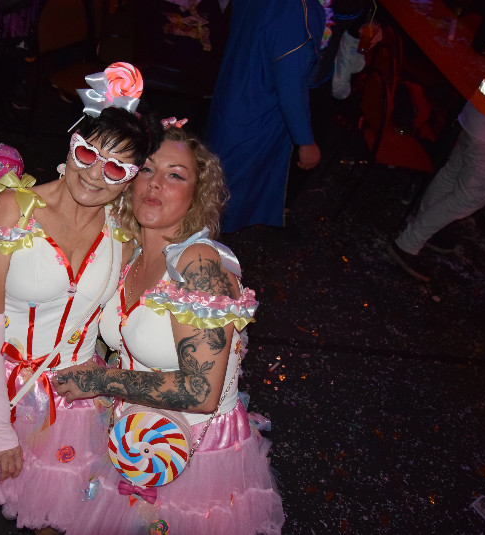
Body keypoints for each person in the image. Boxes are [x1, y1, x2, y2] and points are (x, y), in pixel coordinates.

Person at [0, 63, 158, 535]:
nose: (94, 174)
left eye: (115, 167)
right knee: (26, 498)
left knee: (60, 512)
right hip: (2, 381)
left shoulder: (123, 234)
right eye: (87, 153)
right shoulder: (13, 210)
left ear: (130, 179)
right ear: (70, 144)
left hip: (74, 394)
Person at [54, 124, 285, 535]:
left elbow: (201, 392)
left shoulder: (199, 265)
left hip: (191, 452)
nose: (155, 183)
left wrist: (98, 380)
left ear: (198, 195)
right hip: (134, 435)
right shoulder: (132, 254)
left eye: (175, 175)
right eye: (146, 169)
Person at [388, 3, 485, 282]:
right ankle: (409, 241)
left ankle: (421, 226)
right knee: (470, 196)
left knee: (452, 174)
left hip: (482, 106)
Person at [206, 0, 325, 231]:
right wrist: (305, 141)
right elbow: (291, 86)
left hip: (234, 91)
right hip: (257, 112)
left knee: (214, 182)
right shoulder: (295, 12)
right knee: (228, 195)